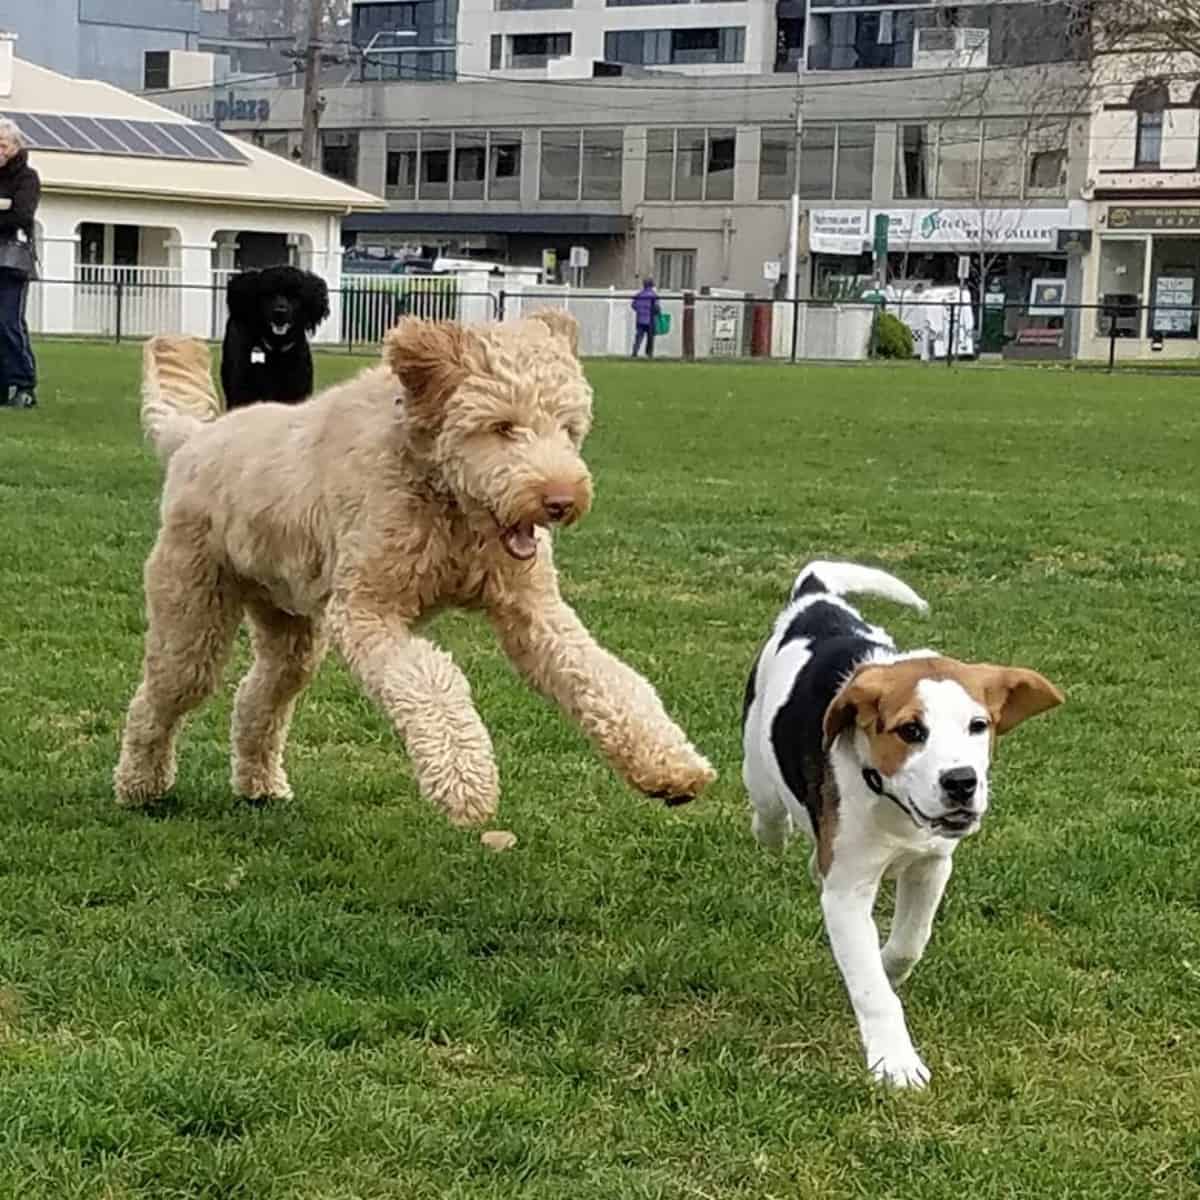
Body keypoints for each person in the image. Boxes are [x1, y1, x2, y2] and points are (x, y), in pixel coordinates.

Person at [0, 118, 39, 409]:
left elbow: (22, 216)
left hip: (12, 260)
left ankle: (24, 384)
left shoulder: (27, 178)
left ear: (15, 147)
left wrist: (8, 209)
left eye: (2, 145)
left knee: (9, 321)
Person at [631, 278, 660, 358]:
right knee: (650, 338)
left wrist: (640, 310)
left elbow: (633, 305)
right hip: (650, 319)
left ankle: (635, 352)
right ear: (652, 285)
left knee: (639, 336)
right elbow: (656, 308)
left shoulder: (639, 294)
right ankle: (649, 354)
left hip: (640, 319)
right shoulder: (654, 295)